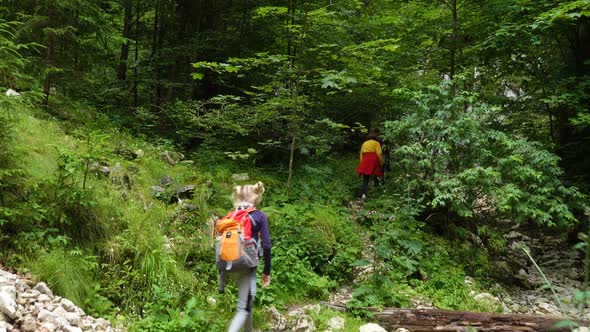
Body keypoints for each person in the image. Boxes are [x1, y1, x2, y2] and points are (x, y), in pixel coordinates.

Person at [227, 182, 271, 332]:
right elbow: (266, 246)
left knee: (247, 301)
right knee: (242, 308)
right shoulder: (259, 215)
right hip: (247, 263)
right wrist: (267, 272)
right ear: (256, 196)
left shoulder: (232, 215)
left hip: (230, 263)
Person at [357, 130, 384, 199]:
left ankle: (364, 194)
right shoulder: (377, 143)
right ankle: (377, 191)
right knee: (377, 174)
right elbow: (379, 154)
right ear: (375, 137)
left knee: (365, 178)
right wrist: (381, 162)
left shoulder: (364, 143)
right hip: (374, 160)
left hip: (365, 160)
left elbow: (361, 155)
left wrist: (361, 163)